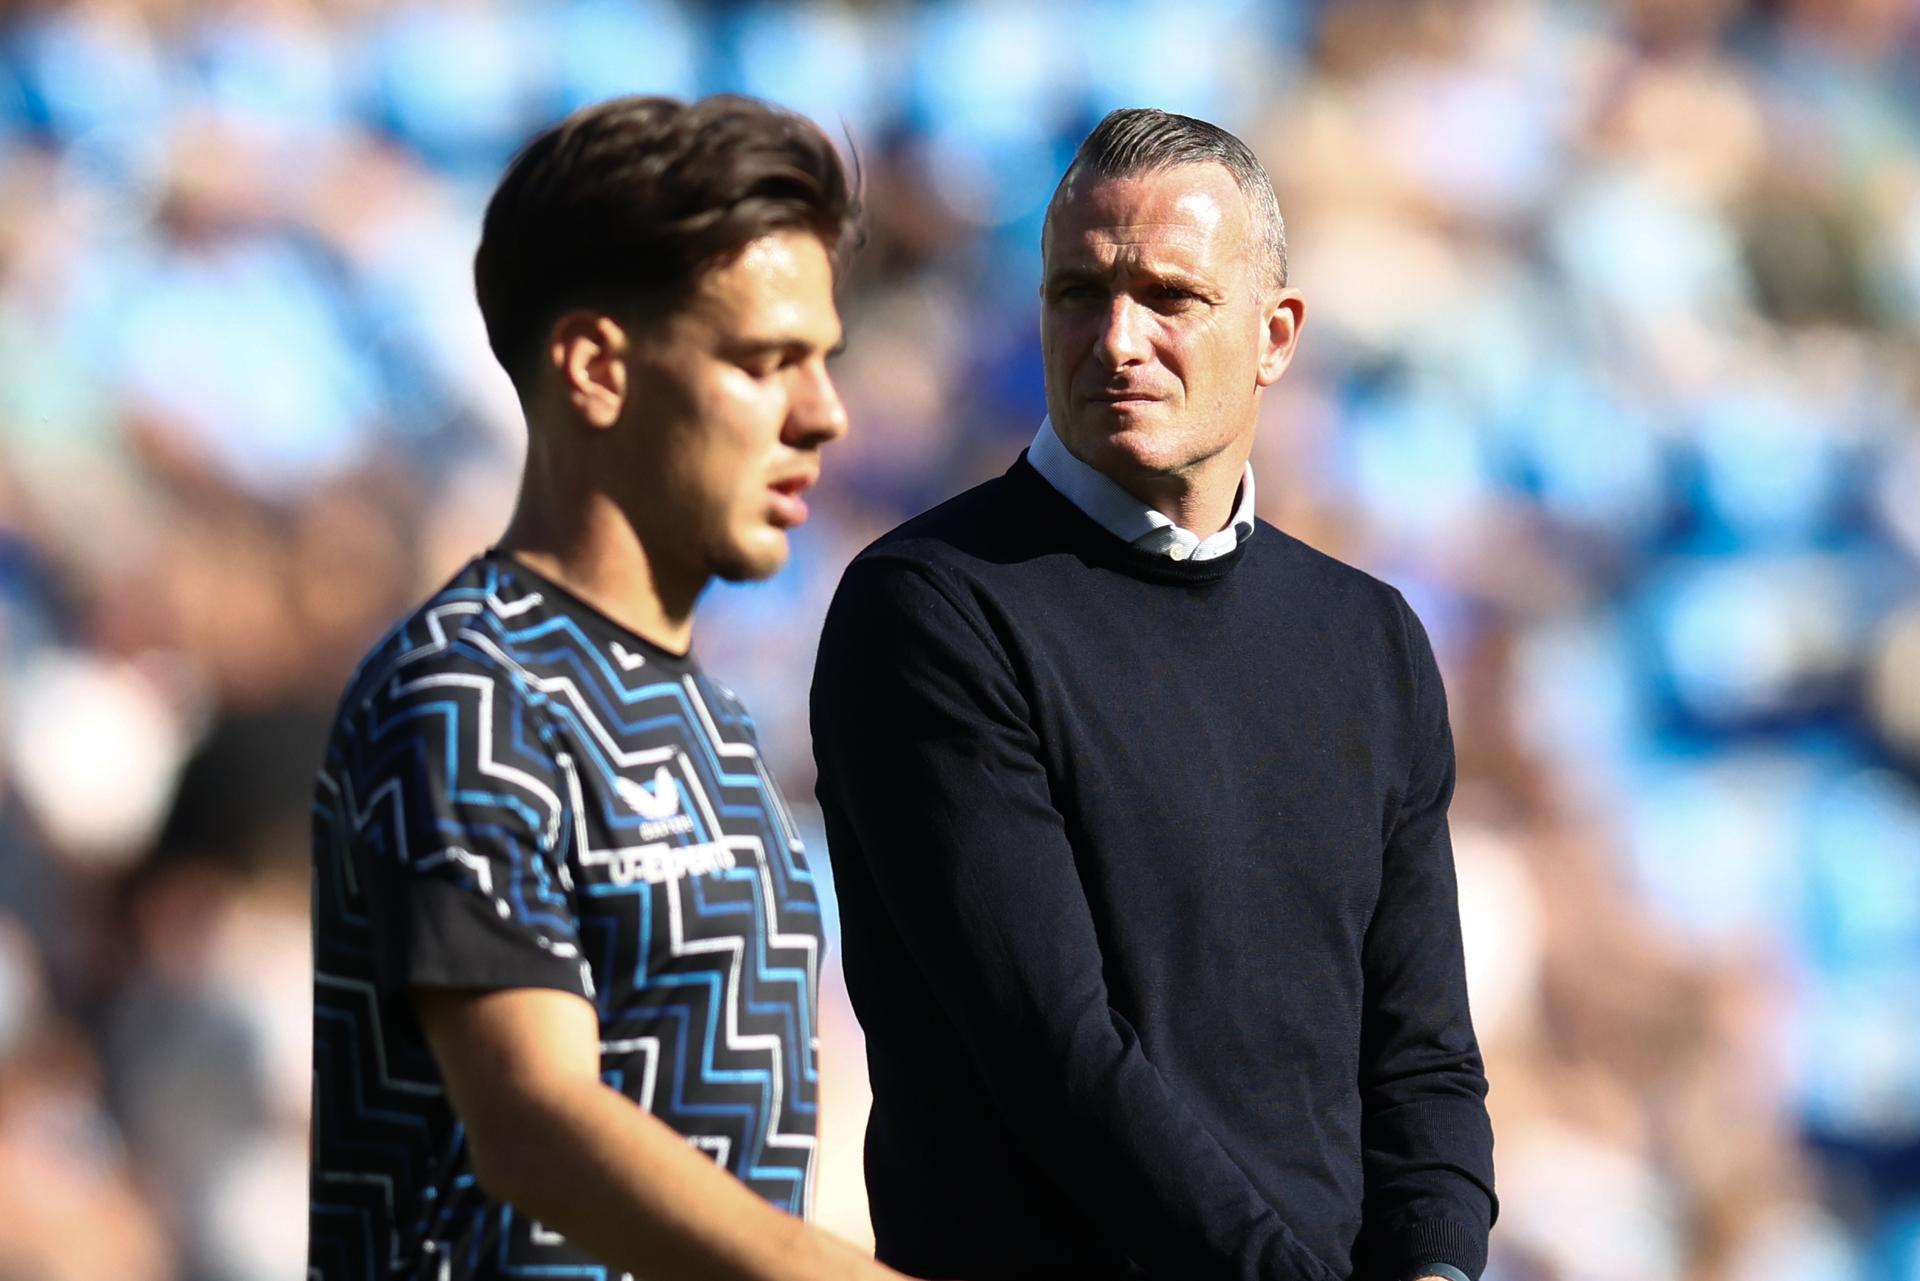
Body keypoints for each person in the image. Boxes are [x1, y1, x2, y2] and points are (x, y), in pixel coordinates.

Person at [810, 109, 1497, 1281]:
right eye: (1078, 293)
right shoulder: (931, 607)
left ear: (1276, 335)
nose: (1116, 338)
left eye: (1169, 297)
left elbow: (1423, 1056)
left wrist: (1432, 1263)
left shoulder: (1368, 639)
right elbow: (1052, 1051)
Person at [309, 95, 903, 1281]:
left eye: (823, 360)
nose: (822, 414)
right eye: (763, 362)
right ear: (595, 368)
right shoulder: (468, 690)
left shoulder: (716, 723)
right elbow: (533, 1124)